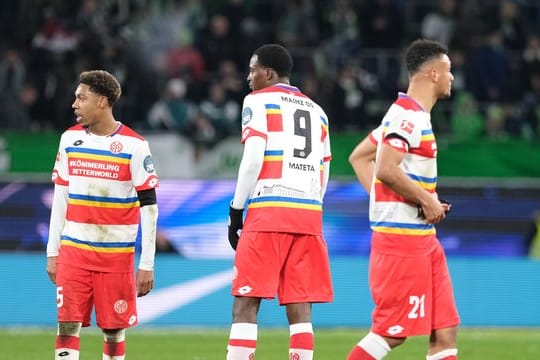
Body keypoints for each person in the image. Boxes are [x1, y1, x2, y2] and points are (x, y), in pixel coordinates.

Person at [347, 39, 460, 360]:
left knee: (444, 330)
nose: (453, 78)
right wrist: (426, 200)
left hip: (424, 241)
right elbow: (384, 167)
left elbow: (359, 158)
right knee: (391, 334)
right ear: (434, 74)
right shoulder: (408, 118)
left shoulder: (404, 116)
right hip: (401, 243)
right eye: (449, 71)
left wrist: (388, 203)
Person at [226, 44, 333, 360]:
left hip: (269, 210)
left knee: (246, 300)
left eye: (252, 69)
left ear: (268, 73)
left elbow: (253, 158)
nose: (249, 77)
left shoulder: (257, 101)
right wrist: (312, 205)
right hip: (309, 214)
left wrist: (236, 209)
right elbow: (323, 169)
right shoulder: (318, 111)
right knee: (300, 305)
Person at [46, 70, 159, 360]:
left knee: (113, 330)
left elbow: (149, 207)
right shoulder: (69, 139)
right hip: (74, 252)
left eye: (82, 98)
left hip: (116, 257)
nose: (75, 104)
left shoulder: (135, 145)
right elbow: (61, 197)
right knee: (67, 325)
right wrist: (52, 251)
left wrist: (146, 263)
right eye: (75, 98)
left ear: (102, 101)